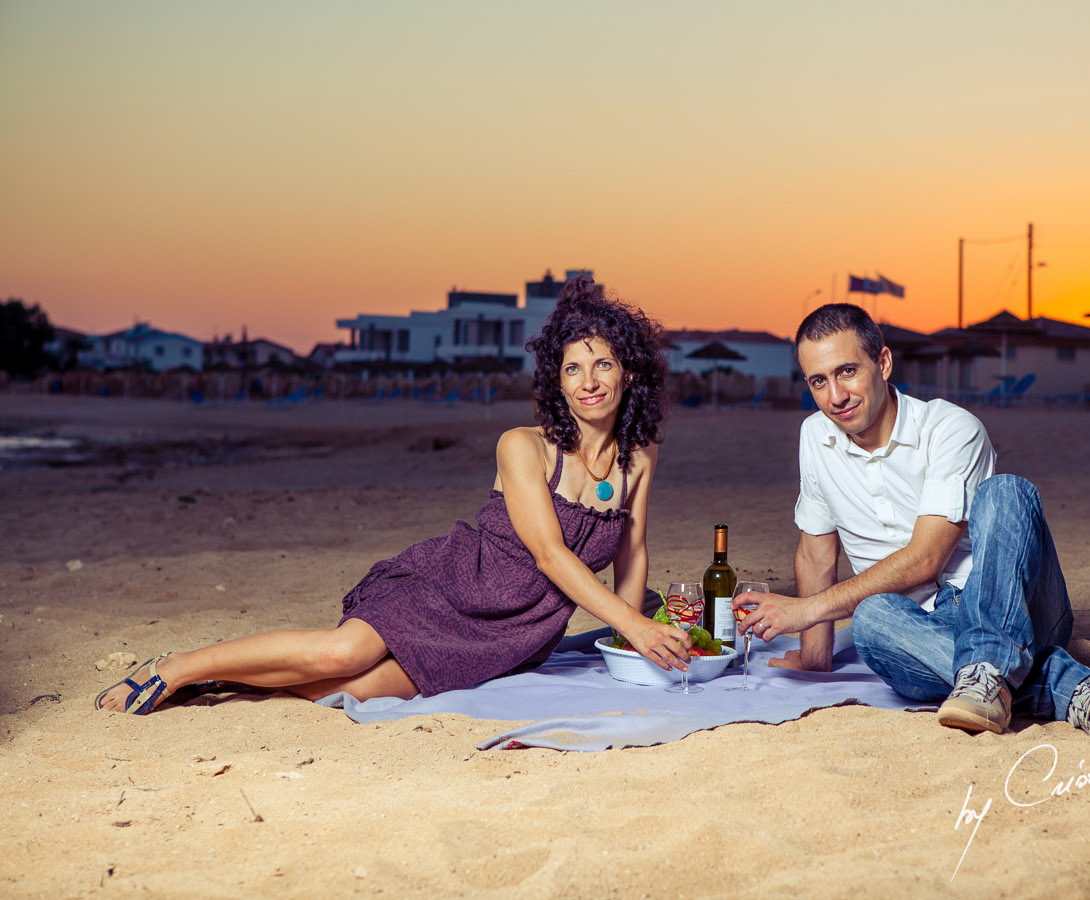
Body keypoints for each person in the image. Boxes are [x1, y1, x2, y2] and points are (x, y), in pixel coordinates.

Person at [96, 275, 692, 715]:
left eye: (603, 365)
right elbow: (549, 556)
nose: (588, 383)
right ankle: (177, 668)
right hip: (451, 587)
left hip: (519, 633)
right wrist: (636, 628)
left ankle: (220, 686)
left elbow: (632, 548)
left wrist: (626, 641)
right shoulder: (523, 446)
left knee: (348, 690)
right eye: (572, 369)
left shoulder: (641, 454)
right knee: (338, 656)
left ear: (628, 372)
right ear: (555, 379)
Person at [733, 304, 1090, 739]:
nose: (836, 396)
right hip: (919, 628)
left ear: (883, 363)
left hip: (1014, 605)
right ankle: (1039, 683)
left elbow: (926, 560)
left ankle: (1016, 676)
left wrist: (805, 610)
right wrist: (815, 657)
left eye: (847, 371)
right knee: (871, 619)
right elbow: (815, 551)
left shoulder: (951, 428)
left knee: (1007, 491)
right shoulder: (815, 436)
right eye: (818, 381)